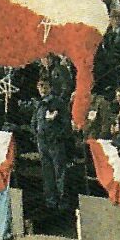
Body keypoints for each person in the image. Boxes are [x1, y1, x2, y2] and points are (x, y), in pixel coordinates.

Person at [30, 77, 75, 216]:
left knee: (60, 172)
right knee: (47, 172)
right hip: (42, 142)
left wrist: (58, 136)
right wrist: (35, 134)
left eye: (45, 86)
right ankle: (50, 201)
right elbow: (35, 121)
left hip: (55, 142)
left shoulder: (58, 103)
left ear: (50, 87)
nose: (42, 89)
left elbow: (66, 123)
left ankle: (63, 202)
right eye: (40, 86)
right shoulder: (39, 104)